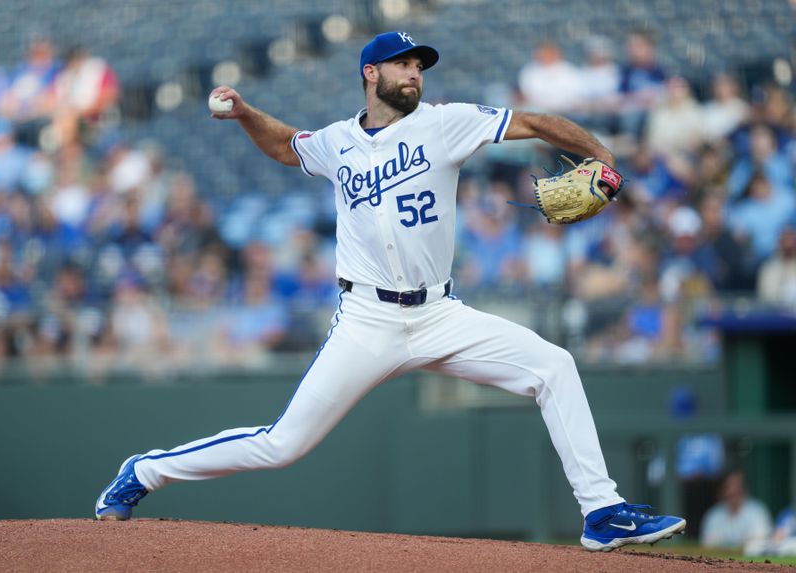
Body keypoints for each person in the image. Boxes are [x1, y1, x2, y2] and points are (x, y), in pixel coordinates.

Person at [94, 31, 685, 552]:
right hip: (367, 320)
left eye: (419, 66)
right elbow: (286, 145)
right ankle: (146, 471)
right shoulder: (336, 142)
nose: (415, 73)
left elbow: (531, 122)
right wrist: (248, 112)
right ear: (370, 74)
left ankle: (602, 512)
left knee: (553, 366)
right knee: (283, 445)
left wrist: (601, 156)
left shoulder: (445, 121)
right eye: (403, 64)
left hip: (440, 313)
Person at [700, 469, 773, 550]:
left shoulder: (757, 511)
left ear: (744, 489)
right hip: (720, 561)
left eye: (737, 487)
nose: (733, 490)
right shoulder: (713, 515)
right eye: (729, 487)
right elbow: (709, 545)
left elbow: (760, 543)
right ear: (722, 491)